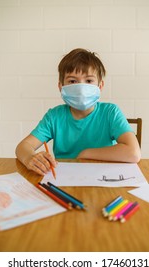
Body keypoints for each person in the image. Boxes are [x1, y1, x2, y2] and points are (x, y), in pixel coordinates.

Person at [16, 48, 141, 176]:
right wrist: (30, 158)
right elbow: (23, 147)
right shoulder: (54, 116)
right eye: (72, 81)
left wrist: (86, 154)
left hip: (102, 178)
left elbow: (134, 153)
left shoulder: (110, 112)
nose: (81, 89)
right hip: (63, 179)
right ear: (61, 86)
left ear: (100, 86)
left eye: (89, 81)